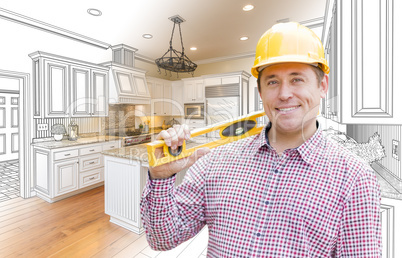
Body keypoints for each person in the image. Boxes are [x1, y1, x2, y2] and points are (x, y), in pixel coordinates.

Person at [141, 22, 382, 257]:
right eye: (273, 82)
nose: (284, 94)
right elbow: (163, 239)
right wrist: (161, 178)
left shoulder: (355, 180)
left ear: (322, 85)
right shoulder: (214, 161)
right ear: (260, 92)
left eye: (297, 79)